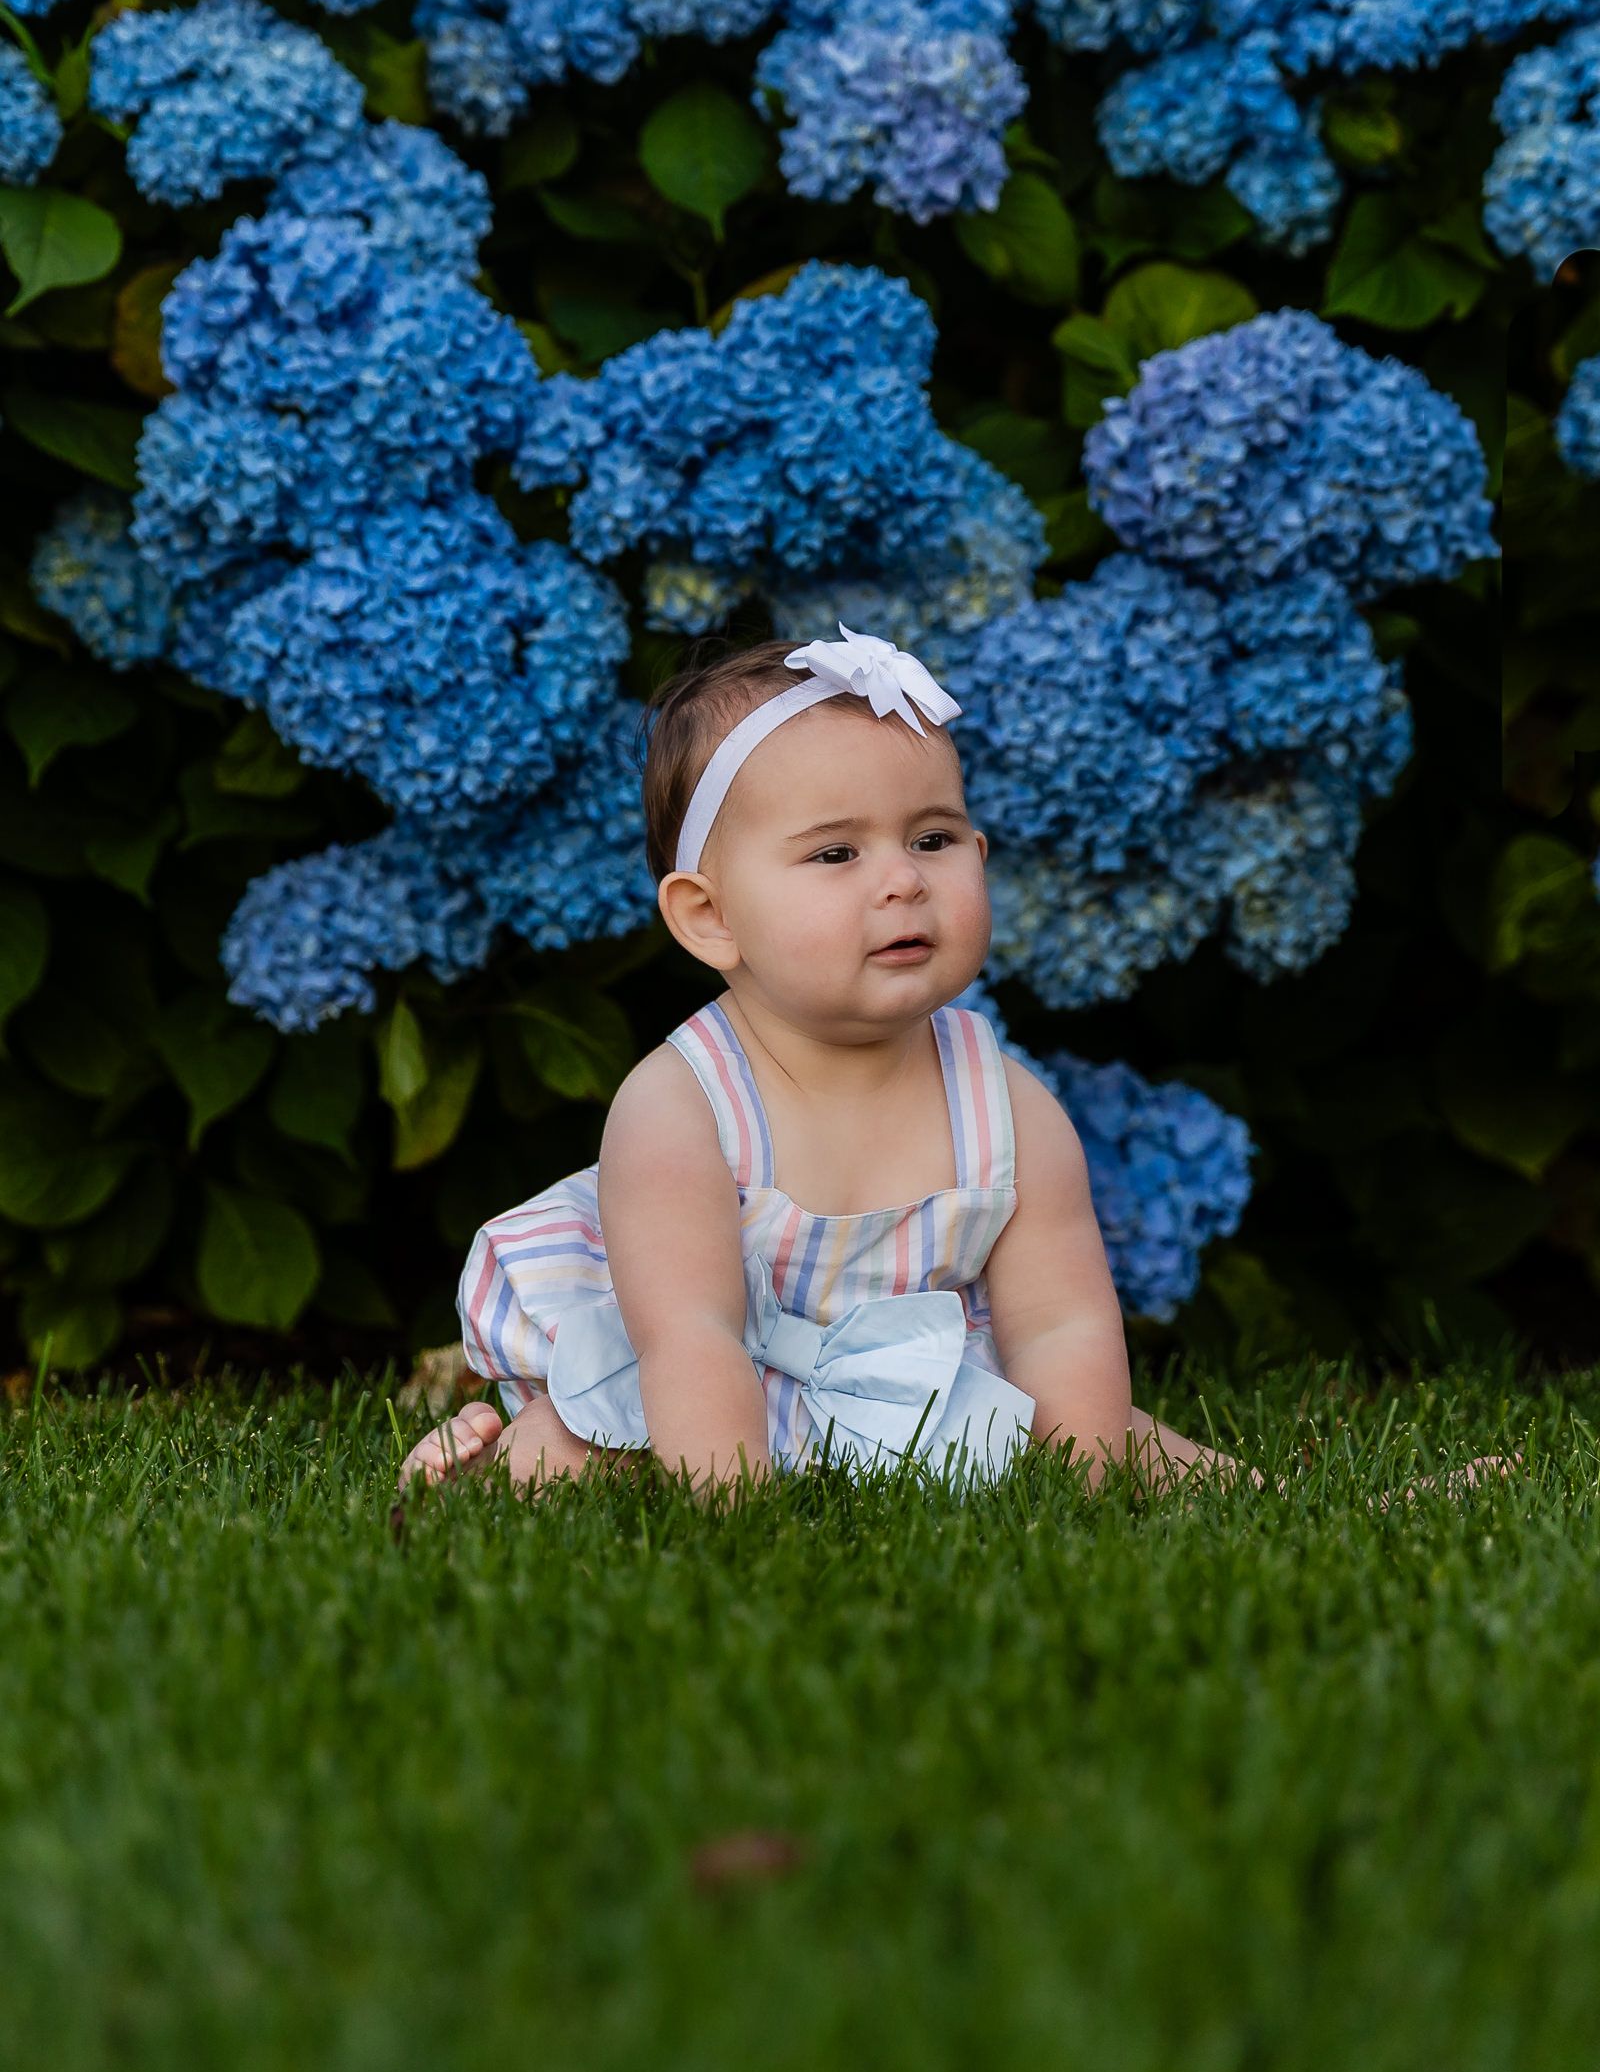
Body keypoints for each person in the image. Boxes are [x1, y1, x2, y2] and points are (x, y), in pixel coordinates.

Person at [395, 625, 1515, 1512]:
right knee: (581, 1457)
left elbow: (1064, 1324)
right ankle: (473, 1461)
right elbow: (686, 1331)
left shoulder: (1005, 1103)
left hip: (921, 1396)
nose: (901, 881)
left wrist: (1088, 1472)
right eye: (835, 853)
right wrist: (728, 1514)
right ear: (709, 918)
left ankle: (1327, 1509)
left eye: (932, 839)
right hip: (700, 1388)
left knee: (1137, 1443)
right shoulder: (678, 1105)